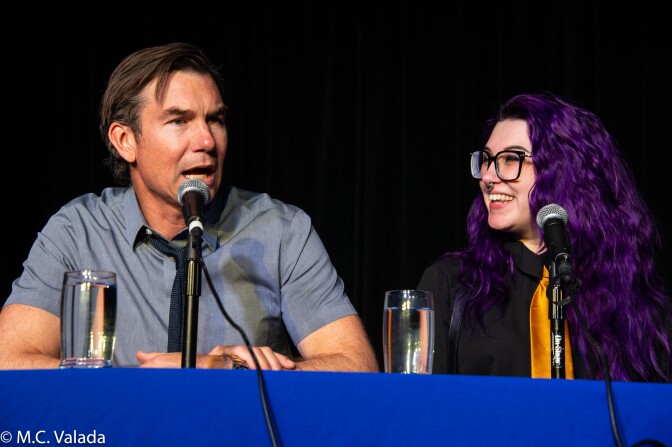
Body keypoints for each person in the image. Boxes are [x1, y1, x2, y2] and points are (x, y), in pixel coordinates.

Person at [0, 42, 378, 372]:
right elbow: (9, 361)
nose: (207, 141)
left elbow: (357, 367)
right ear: (125, 140)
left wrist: (231, 371)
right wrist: (142, 384)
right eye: (179, 120)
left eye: (216, 120)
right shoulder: (77, 231)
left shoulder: (281, 230)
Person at [418, 92, 672, 382]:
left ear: (564, 172)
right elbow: (422, 411)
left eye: (510, 159)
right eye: (486, 160)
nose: (488, 176)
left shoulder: (630, 295)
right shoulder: (452, 284)